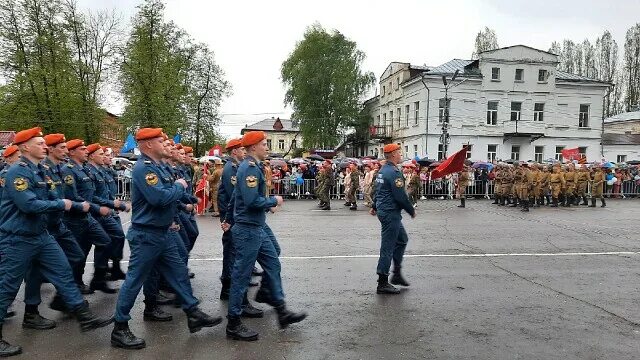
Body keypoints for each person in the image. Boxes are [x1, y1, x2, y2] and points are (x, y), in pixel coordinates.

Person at [0, 128, 113, 357]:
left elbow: (53, 197)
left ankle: (84, 317)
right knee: (7, 287)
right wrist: (62, 204)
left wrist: (70, 205)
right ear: (24, 148)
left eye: (44, 143)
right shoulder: (16, 173)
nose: (44, 146)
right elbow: (29, 205)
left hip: (42, 235)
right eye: (39, 143)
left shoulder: (42, 171)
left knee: (63, 272)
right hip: (17, 238)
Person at [110, 128, 222, 350]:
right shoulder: (144, 169)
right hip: (147, 235)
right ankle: (120, 327)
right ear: (148, 145)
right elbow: (159, 197)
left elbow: (171, 196)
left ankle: (192, 312)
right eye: (160, 141)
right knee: (134, 281)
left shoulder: (160, 167)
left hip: (163, 232)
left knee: (178, 272)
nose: (165, 144)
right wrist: (180, 188)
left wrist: (183, 199)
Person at [225, 131, 306, 342]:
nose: (267, 147)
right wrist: (273, 201)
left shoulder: (254, 167)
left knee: (273, 263)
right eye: (264, 144)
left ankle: (281, 309)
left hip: (256, 227)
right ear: (253, 147)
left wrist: (227, 217)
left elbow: (235, 197)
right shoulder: (249, 168)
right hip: (248, 229)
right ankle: (233, 323)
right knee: (241, 276)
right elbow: (252, 202)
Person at [60, 139, 116, 294]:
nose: (86, 151)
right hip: (74, 219)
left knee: (105, 242)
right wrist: (98, 208)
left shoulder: (83, 169)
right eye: (82, 149)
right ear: (72, 152)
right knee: (79, 254)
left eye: (86, 149)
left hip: (87, 216)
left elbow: (91, 194)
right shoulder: (68, 170)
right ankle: (73, 285)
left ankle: (98, 279)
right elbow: (73, 197)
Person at [370, 144, 415, 295]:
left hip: (385, 210)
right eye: (399, 152)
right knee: (387, 247)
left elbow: (378, 190)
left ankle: (396, 273)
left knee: (402, 239)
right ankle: (382, 282)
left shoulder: (383, 170)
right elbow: (400, 196)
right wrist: (411, 210)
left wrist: (375, 205)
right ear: (394, 154)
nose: (400, 154)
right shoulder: (394, 172)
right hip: (390, 213)